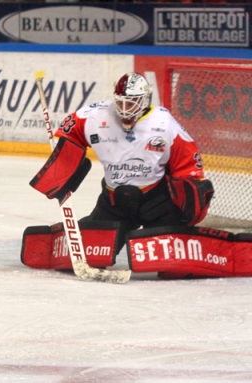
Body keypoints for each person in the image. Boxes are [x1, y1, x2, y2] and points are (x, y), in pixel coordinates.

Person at [24, 72, 216, 276]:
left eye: (131, 103)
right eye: (121, 103)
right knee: (86, 259)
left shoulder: (164, 123)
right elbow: (71, 129)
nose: (125, 109)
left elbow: (188, 163)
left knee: (174, 270)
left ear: (144, 100)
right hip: (114, 204)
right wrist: (63, 157)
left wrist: (190, 190)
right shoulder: (96, 115)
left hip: (157, 203)